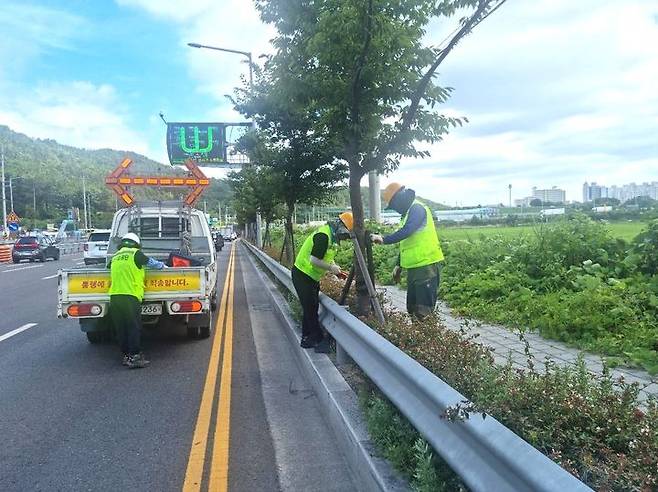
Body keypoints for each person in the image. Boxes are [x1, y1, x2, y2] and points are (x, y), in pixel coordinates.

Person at [371, 183, 444, 318]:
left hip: (426, 266)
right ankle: (419, 336)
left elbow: (407, 231)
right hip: (414, 268)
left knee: (423, 311)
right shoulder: (406, 214)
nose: (395, 209)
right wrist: (399, 265)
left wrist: (383, 239)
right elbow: (406, 243)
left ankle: (427, 338)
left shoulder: (417, 208)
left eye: (393, 205)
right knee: (412, 308)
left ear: (399, 198)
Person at [292, 212, 353, 353]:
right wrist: (332, 268)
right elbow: (314, 260)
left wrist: (336, 270)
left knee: (311, 307)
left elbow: (327, 258)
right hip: (302, 275)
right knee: (310, 308)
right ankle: (317, 339)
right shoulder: (323, 236)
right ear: (340, 227)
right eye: (345, 233)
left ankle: (307, 338)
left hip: (311, 277)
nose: (345, 237)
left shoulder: (331, 238)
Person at [108, 232, 166, 369]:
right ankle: (135, 356)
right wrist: (165, 266)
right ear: (136, 244)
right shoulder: (136, 254)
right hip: (130, 296)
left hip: (115, 297)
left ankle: (126, 355)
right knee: (133, 326)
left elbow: (107, 268)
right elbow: (153, 264)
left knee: (121, 327)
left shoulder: (115, 257)